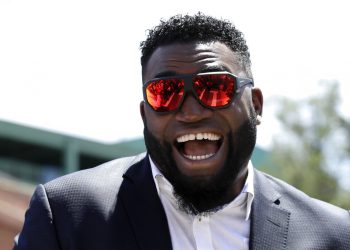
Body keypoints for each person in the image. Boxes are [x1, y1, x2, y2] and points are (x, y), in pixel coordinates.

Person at [14, 13, 350, 250]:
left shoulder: (334, 234)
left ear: (256, 105)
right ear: (145, 114)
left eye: (215, 87)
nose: (190, 112)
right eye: (165, 93)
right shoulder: (65, 216)